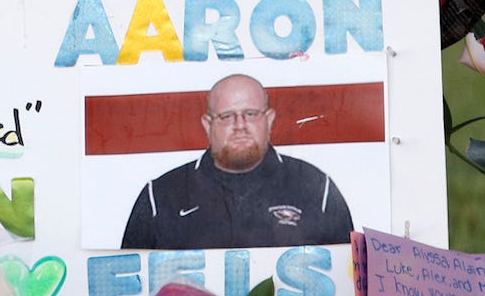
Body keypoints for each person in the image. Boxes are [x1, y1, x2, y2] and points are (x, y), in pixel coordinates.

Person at [119, 73, 355, 251]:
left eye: (251, 114)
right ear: (207, 125)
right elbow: (132, 293)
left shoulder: (315, 188)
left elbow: (349, 285)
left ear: (269, 120)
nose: (240, 125)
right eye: (226, 116)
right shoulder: (160, 197)